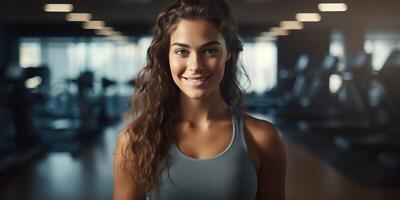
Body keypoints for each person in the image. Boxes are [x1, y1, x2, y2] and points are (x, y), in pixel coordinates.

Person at [113, 0, 286, 199]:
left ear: (228, 52)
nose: (195, 65)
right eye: (181, 51)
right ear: (166, 56)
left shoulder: (263, 138)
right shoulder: (136, 139)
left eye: (209, 50)